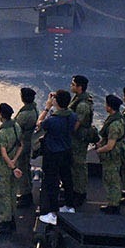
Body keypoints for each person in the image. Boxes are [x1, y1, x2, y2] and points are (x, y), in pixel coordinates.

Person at [36, 90, 75, 221]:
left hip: (52, 153)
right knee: (67, 178)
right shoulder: (72, 116)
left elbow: (39, 123)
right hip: (67, 151)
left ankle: (50, 212)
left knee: (51, 182)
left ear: (56, 102)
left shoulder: (52, 120)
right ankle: (69, 206)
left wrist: (47, 107)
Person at [0, 102, 24, 236]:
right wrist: (15, 160)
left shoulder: (3, 132)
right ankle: (11, 219)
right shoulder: (16, 126)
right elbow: (21, 146)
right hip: (13, 163)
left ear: (1, 115)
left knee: (3, 195)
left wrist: (11, 165)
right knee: (12, 193)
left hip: (5, 168)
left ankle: (5, 222)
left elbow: (3, 152)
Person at [68, 74, 97, 207]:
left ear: (79, 87)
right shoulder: (79, 98)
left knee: (79, 165)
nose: (71, 86)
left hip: (79, 139)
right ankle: (75, 189)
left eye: (73, 84)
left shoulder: (83, 105)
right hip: (77, 138)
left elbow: (77, 123)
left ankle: (80, 192)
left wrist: (66, 132)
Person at [97, 94, 125, 213]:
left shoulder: (114, 124)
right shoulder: (115, 118)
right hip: (115, 153)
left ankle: (113, 205)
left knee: (111, 179)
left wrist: (99, 150)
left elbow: (110, 146)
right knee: (114, 179)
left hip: (112, 156)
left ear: (109, 107)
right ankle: (114, 202)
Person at [14, 86, 39, 207]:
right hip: (28, 142)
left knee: (21, 168)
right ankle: (27, 191)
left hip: (22, 144)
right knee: (26, 167)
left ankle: (25, 195)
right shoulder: (34, 109)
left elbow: (16, 129)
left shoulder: (24, 114)